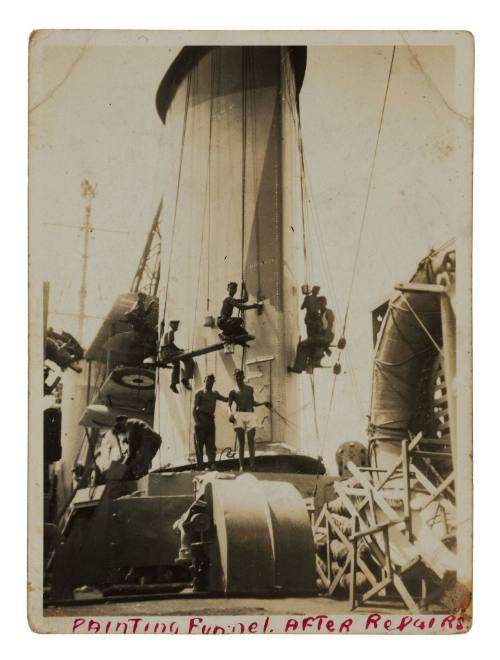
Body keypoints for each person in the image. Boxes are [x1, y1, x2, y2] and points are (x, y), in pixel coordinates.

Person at [228, 369, 271, 472]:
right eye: (236, 376)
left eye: (240, 376)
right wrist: (230, 414)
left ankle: (252, 465)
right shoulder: (232, 391)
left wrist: (263, 403)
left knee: (251, 441)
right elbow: (228, 405)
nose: (238, 378)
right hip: (239, 415)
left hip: (250, 414)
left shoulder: (249, 389)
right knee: (241, 442)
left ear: (243, 377)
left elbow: (252, 403)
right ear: (234, 377)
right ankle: (241, 466)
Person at [288, 296, 335, 373]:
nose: (318, 306)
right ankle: (307, 365)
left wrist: (325, 342)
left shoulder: (329, 312)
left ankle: (299, 368)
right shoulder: (322, 314)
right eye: (317, 304)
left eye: (320, 304)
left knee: (302, 345)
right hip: (323, 337)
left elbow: (330, 326)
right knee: (307, 345)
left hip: (326, 337)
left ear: (324, 303)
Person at [192, 374, 228, 470]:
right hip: (201, 418)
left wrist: (234, 395)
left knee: (211, 443)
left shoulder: (215, 394)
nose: (209, 382)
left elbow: (226, 399)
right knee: (199, 444)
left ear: (213, 382)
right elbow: (194, 409)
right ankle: (200, 465)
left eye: (211, 381)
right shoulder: (199, 393)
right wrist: (197, 422)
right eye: (208, 380)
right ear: (204, 381)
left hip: (210, 420)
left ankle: (212, 463)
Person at [159, 320, 195, 393]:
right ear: (171, 325)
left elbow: (168, 343)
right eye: (176, 325)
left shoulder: (167, 332)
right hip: (168, 352)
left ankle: (173, 383)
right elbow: (170, 343)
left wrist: (178, 350)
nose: (177, 327)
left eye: (177, 325)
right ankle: (186, 378)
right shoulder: (171, 331)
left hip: (163, 354)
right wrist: (179, 350)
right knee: (188, 358)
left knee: (176, 364)